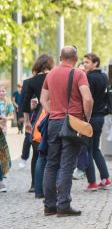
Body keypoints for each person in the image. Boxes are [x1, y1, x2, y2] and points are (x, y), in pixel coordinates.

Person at [40, 46, 93, 217]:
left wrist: (53, 112)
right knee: (67, 165)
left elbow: (43, 99)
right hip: (72, 123)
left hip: (54, 123)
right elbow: (88, 99)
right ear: (76, 58)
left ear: (60, 57)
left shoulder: (51, 74)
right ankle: (63, 205)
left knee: (51, 163)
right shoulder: (78, 74)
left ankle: (49, 205)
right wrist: (86, 118)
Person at [22, 54, 54, 194]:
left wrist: (27, 122)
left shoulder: (29, 81)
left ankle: (35, 185)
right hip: (54, 113)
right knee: (54, 152)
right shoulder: (54, 77)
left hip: (38, 117)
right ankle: (52, 185)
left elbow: (24, 104)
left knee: (37, 153)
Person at [82, 53, 112, 190]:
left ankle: (92, 182)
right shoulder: (104, 76)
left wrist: (85, 117)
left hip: (90, 117)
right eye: (84, 62)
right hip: (100, 117)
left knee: (88, 149)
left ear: (95, 63)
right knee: (95, 149)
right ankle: (105, 178)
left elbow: (88, 99)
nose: (84, 65)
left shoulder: (88, 78)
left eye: (87, 62)